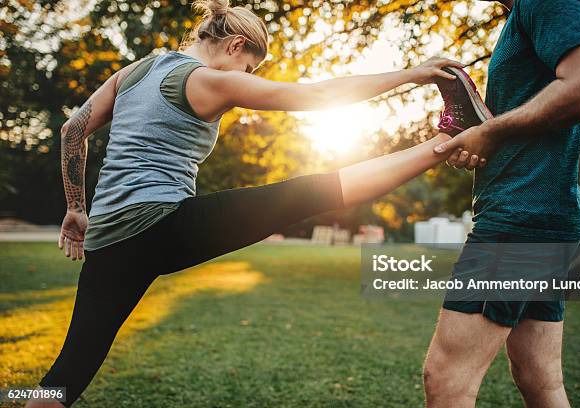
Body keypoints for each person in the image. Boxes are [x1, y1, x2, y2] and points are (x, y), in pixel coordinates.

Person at [26, 0, 469, 406]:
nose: (248, 76)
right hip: (160, 223)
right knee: (307, 193)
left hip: (108, 238)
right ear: (236, 45)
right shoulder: (209, 80)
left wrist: (76, 208)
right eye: (250, 66)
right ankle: (448, 141)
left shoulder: (134, 71)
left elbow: (72, 130)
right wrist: (415, 73)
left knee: (70, 370)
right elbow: (316, 96)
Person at [425, 0, 580, 407]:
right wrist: (480, 134)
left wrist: (490, 134)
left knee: (446, 379)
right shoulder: (524, 14)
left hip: (522, 222)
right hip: (545, 217)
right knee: (539, 379)